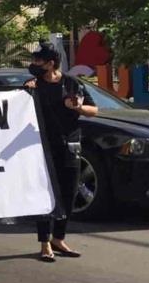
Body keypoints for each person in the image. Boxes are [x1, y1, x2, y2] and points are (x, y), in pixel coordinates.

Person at [26, 43, 98, 262]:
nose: (34, 65)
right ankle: (45, 242)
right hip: (42, 147)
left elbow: (93, 110)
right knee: (45, 195)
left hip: (70, 146)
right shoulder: (33, 85)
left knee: (68, 194)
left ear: (51, 63)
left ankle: (59, 238)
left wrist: (77, 107)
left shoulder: (71, 83)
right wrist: (26, 89)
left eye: (39, 61)